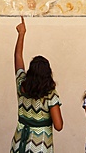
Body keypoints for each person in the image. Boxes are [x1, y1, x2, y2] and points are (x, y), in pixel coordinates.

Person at [11, 16, 63, 152]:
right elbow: (58, 125)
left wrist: (21, 34)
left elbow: (18, 57)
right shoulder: (50, 95)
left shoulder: (21, 84)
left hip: (19, 143)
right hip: (41, 146)